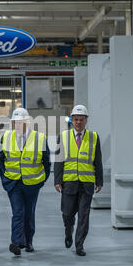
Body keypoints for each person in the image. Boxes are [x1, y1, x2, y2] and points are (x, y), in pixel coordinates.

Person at [0, 108, 51, 256]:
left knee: (29, 213)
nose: (18, 125)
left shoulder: (40, 138)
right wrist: (4, 178)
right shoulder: (6, 137)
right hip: (13, 183)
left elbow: (47, 162)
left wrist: (41, 181)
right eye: (15, 122)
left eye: (21, 122)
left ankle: (28, 242)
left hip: (32, 183)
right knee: (17, 212)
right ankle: (15, 242)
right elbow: (0, 160)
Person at [54, 105, 103, 256]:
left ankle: (79, 245)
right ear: (72, 120)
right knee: (67, 214)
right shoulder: (63, 136)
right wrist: (57, 180)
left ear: (86, 120)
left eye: (81, 120)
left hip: (87, 183)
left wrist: (99, 181)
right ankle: (68, 231)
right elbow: (58, 160)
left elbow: (98, 160)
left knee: (84, 215)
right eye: (76, 120)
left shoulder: (93, 137)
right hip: (69, 181)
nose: (78, 122)